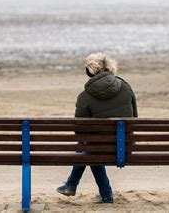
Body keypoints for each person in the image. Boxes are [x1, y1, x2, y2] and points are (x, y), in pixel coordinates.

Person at [56, 52, 138, 203]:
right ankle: (78, 187)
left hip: (97, 149)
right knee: (90, 146)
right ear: (109, 68)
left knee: (89, 146)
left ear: (89, 71)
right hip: (124, 146)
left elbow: (79, 129)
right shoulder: (125, 87)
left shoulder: (84, 97)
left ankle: (76, 185)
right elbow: (134, 119)